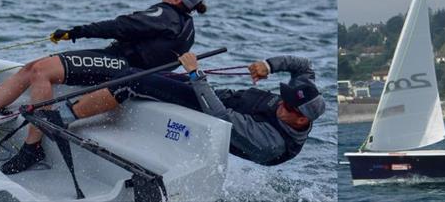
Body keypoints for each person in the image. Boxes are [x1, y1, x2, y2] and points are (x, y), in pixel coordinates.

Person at [0, 0, 205, 175]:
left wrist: (76, 32)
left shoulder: (165, 14)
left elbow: (121, 25)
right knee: (34, 66)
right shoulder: (187, 29)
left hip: (119, 66)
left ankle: (31, 148)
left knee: (40, 71)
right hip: (124, 69)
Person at [60, 52, 324, 168]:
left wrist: (196, 74)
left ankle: (61, 117)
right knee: (141, 73)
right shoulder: (303, 95)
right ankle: (75, 95)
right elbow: (303, 66)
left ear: (301, 119)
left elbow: (219, 117)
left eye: (288, 105)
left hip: (218, 115)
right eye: (284, 97)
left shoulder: (271, 142)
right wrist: (269, 64)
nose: (281, 102)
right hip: (221, 99)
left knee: (135, 82)